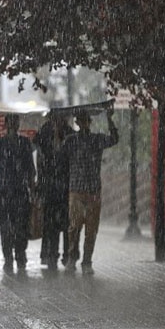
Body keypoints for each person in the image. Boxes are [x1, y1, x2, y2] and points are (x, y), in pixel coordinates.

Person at [0, 113, 36, 273]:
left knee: (20, 227)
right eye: (10, 123)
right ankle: (9, 258)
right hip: (3, 192)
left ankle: (20, 256)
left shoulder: (24, 143)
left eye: (14, 123)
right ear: (6, 125)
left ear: (17, 125)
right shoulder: (0, 143)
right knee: (6, 227)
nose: (13, 126)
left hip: (20, 191)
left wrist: (33, 188)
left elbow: (30, 169)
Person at [62, 108, 118, 275]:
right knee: (74, 226)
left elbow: (114, 139)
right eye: (80, 120)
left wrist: (110, 120)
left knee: (91, 229)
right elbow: (59, 155)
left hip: (93, 190)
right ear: (77, 123)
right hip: (76, 189)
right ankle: (72, 257)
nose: (83, 123)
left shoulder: (97, 139)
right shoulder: (70, 141)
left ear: (89, 122)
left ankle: (87, 261)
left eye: (85, 120)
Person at [34, 112, 75, 271]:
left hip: (64, 186)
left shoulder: (69, 133)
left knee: (66, 224)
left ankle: (67, 255)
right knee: (50, 224)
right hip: (50, 186)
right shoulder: (44, 133)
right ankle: (51, 255)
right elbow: (39, 153)